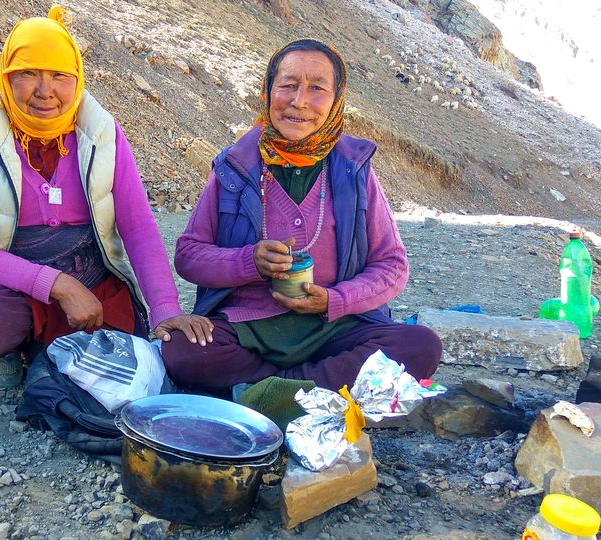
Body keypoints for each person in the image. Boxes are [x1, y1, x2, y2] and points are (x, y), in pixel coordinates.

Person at [0, 6, 213, 387]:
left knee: (125, 347)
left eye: (59, 76)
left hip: (92, 275)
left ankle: (43, 346)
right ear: (6, 76)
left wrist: (165, 309)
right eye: (28, 73)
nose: (45, 91)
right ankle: (11, 347)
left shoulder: (103, 134)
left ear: (77, 78)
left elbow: (139, 227)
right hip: (10, 285)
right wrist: (60, 286)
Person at [161, 39, 442, 395]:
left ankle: (268, 391)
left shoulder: (354, 169)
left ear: (337, 98)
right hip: (250, 327)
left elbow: (392, 265)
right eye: (288, 85)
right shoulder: (235, 165)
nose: (300, 101)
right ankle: (310, 392)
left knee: (421, 346)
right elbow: (189, 255)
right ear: (268, 91)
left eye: (317, 89)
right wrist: (250, 261)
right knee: (182, 351)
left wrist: (334, 300)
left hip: (336, 327)